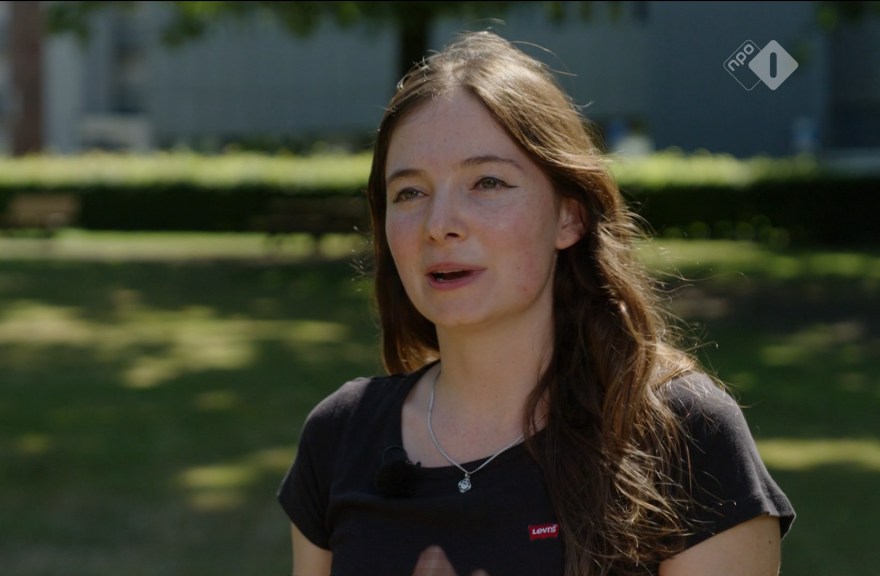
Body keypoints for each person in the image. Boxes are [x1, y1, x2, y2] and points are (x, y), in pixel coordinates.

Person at [277, 30, 795, 576]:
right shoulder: (339, 436)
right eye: (409, 192)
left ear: (570, 217)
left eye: (488, 182)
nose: (439, 224)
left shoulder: (684, 432)